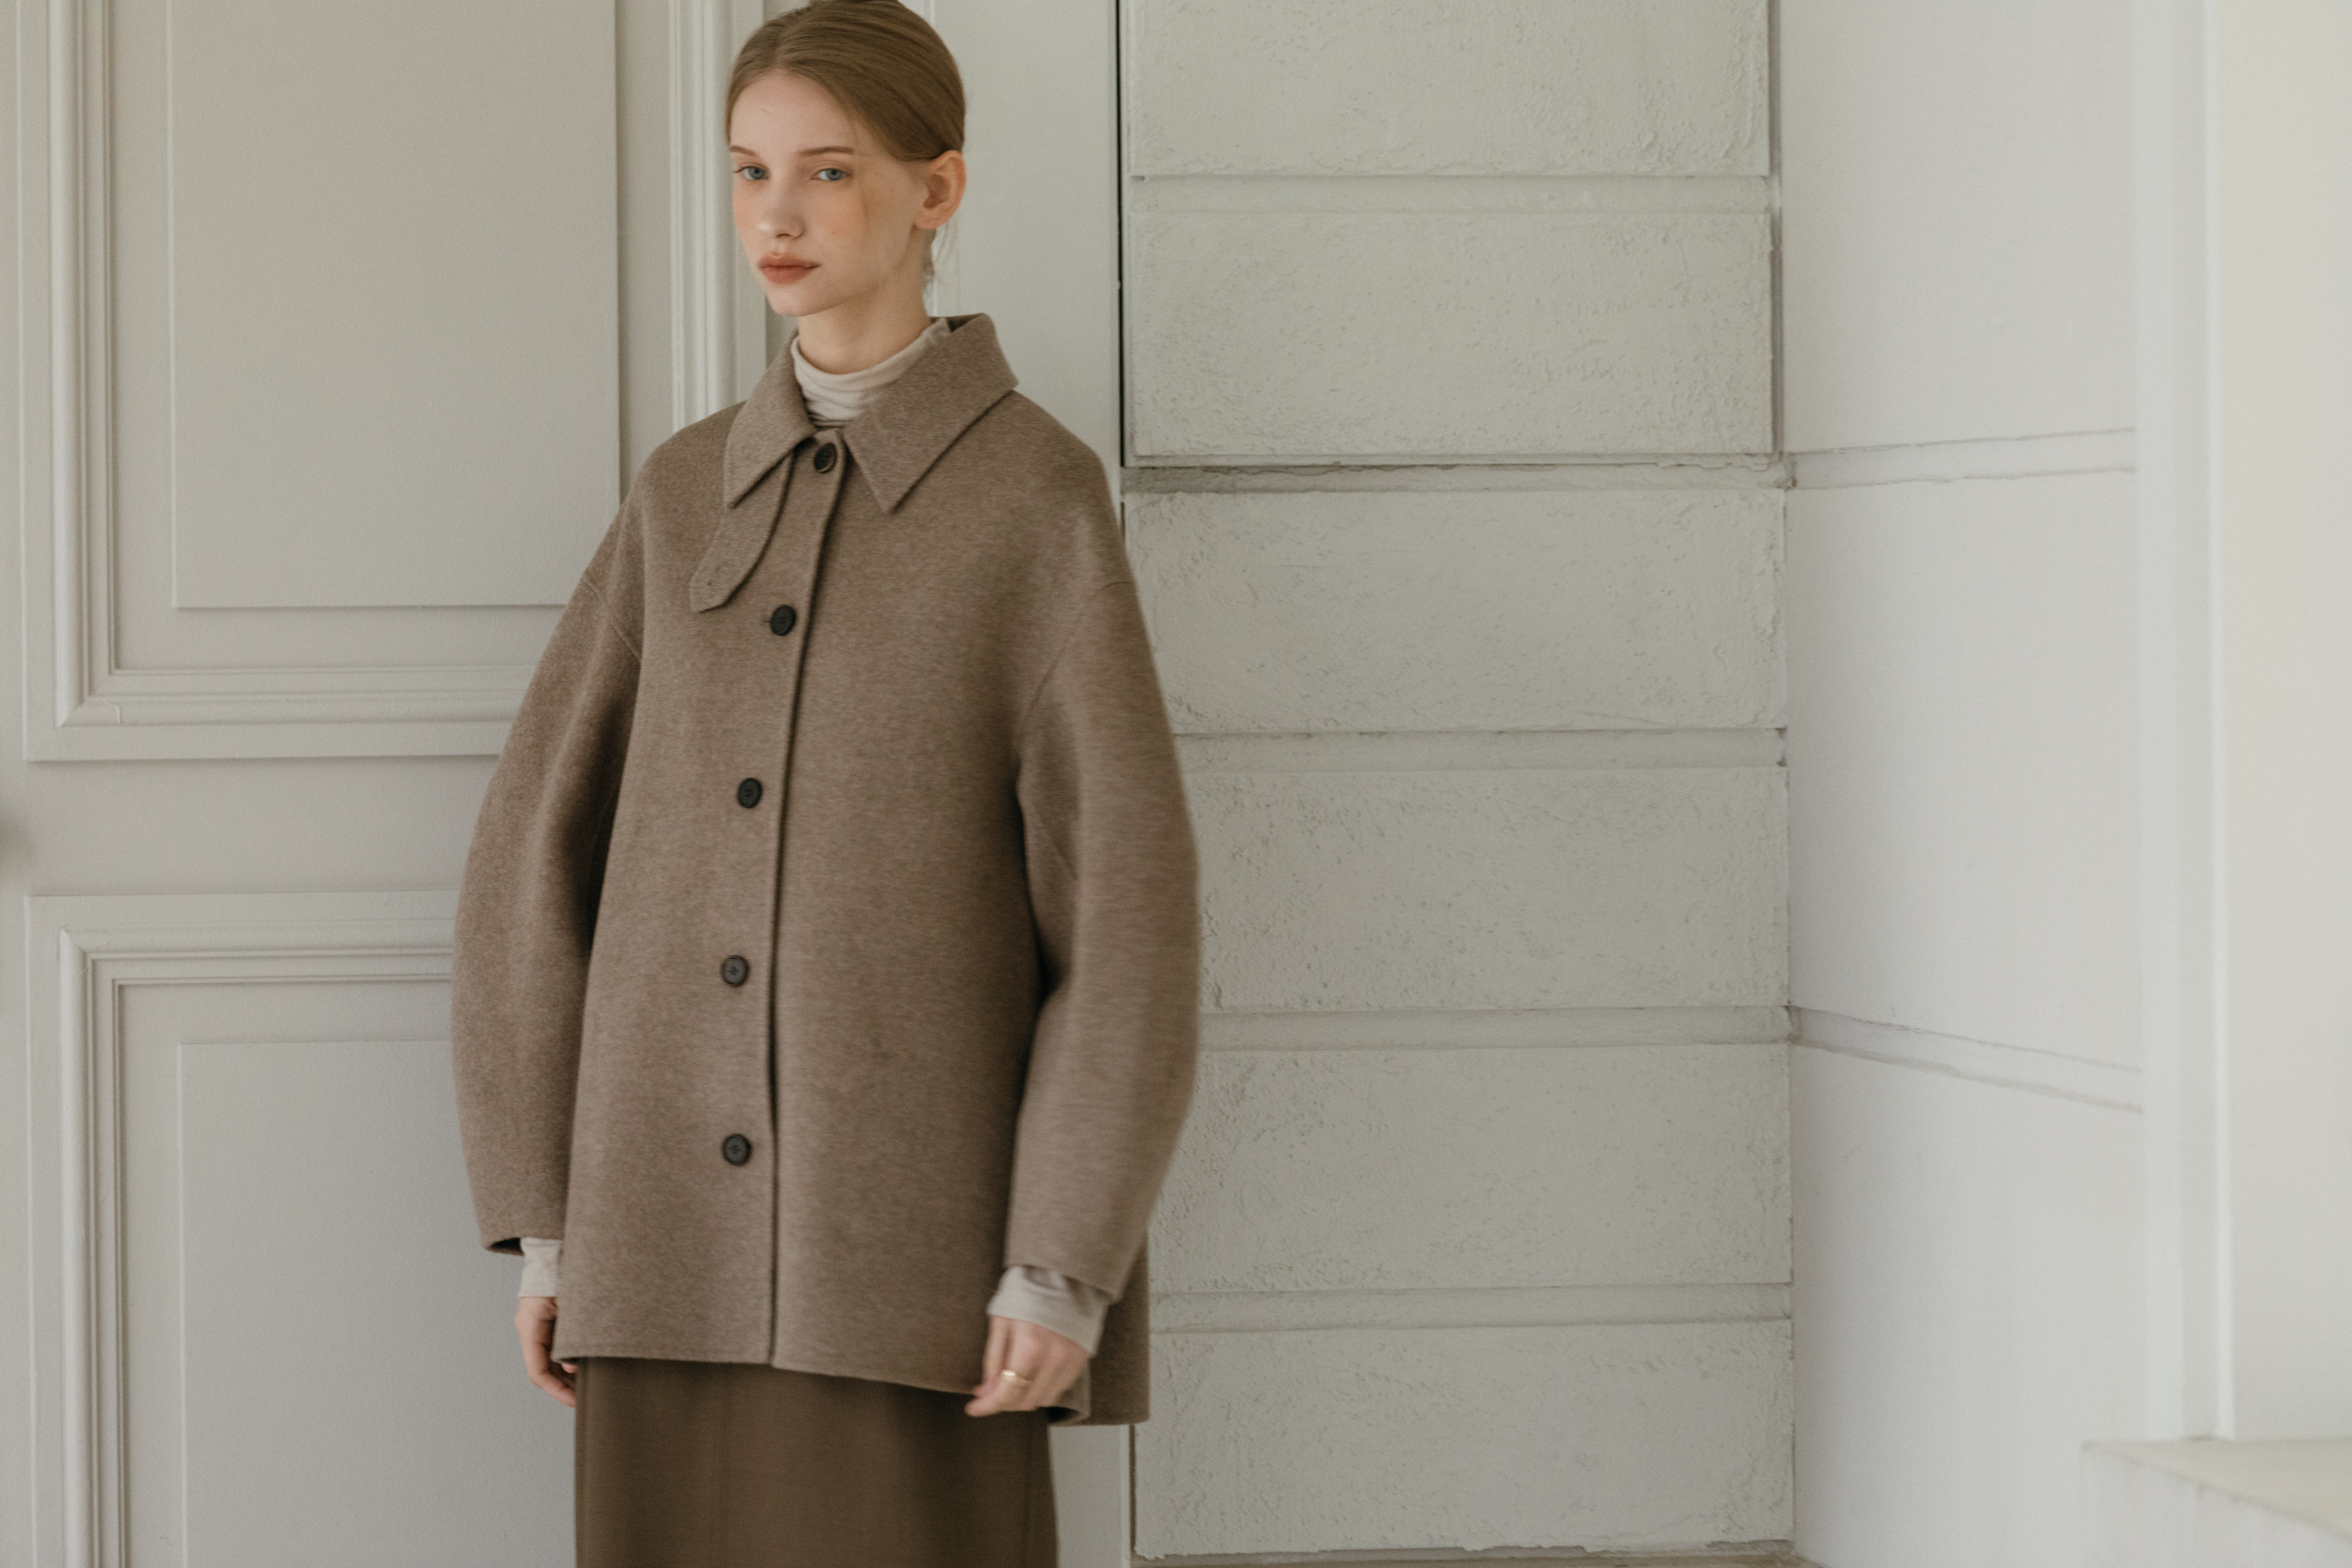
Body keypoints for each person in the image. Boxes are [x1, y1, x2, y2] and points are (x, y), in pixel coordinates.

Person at [446, 4, 1203, 1563]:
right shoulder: (682, 492)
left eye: (829, 170)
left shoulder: (1035, 504)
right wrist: (552, 1221)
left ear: (940, 189)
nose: (776, 216)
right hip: (659, 1260)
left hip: (914, 1273)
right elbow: (532, 851)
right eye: (748, 171)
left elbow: (1129, 915)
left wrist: (1061, 1262)